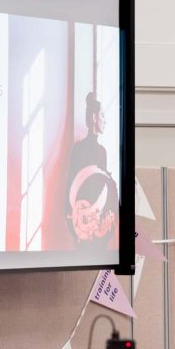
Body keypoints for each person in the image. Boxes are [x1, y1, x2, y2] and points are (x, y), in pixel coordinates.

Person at [64, 92, 117, 247]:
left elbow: (104, 189)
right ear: (94, 118)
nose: (105, 120)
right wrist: (76, 227)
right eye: (103, 115)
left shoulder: (99, 151)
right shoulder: (84, 150)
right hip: (83, 224)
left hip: (96, 225)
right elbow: (71, 188)